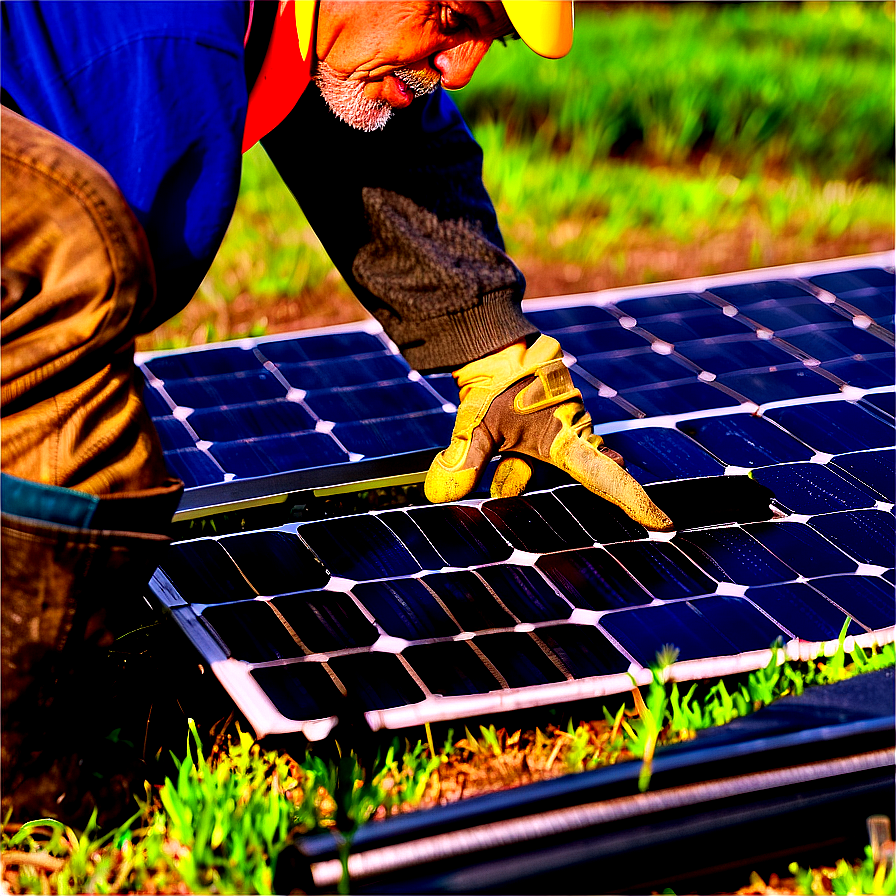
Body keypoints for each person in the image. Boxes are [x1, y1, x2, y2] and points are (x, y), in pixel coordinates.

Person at [1, 1, 672, 819]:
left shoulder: (308, 20)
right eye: (453, 17)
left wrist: (494, 351)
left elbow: (387, 143)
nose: (459, 69)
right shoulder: (163, 48)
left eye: (482, 40)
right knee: (77, 288)